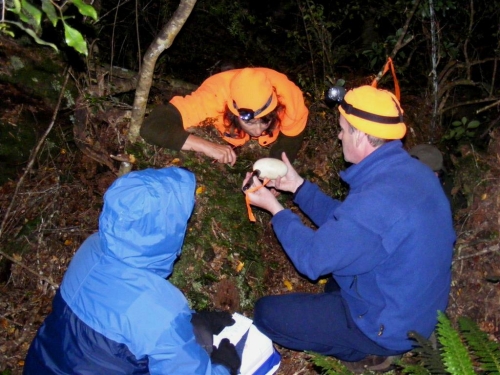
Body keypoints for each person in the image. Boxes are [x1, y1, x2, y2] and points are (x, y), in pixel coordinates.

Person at [242, 85, 456, 373]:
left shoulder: (377, 199)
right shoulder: (409, 172)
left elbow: (312, 261)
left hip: (391, 326)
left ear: (362, 135)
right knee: (338, 278)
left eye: (343, 129)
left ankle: (368, 352)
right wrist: (299, 187)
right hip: (416, 306)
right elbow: (353, 224)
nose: (339, 135)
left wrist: (275, 209)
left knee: (267, 313)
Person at [23, 167, 241, 375]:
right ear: (168, 226)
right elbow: (150, 319)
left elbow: (125, 310)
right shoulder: (163, 311)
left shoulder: (92, 247)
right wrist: (225, 366)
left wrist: (197, 320)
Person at [140, 67, 309, 166]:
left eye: (265, 121)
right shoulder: (213, 99)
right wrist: (207, 146)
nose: (258, 131)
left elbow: (291, 139)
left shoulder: (289, 97)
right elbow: (153, 126)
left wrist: (275, 173)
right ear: (234, 114)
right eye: (250, 122)